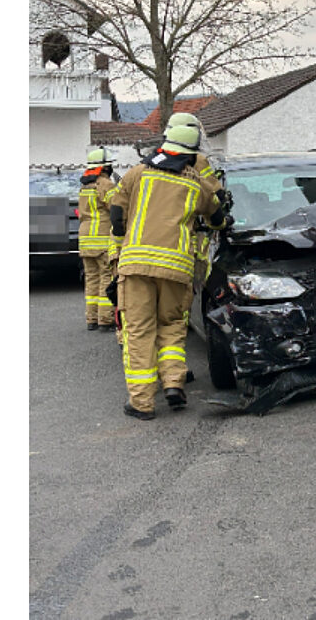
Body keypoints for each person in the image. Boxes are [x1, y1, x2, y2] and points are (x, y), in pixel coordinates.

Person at [109, 124, 232, 420]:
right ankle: (174, 384)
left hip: (137, 265)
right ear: (191, 154)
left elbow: (116, 213)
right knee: (172, 325)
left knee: (139, 330)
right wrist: (222, 219)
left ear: (165, 145)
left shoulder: (137, 173)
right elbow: (217, 219)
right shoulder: (196, 184)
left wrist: (124, 233)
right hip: (177, 268)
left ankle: (141, 403)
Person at [161, 112, 226, 381]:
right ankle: (173, 374)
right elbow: (215, 196)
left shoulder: (146, 167)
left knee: (148, 321)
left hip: (142, 250)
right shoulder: (197, 162)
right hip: (182, 248)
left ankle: (164, 374)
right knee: (174, 317)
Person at [78, 148, 117, 331]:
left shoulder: (84, 186)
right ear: (105, 167)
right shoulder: (105, 184)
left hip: (85, 239)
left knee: (91, 279)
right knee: (106, 278)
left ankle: (91, 319)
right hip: (101, 239)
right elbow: (116, 208)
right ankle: (105, 320)